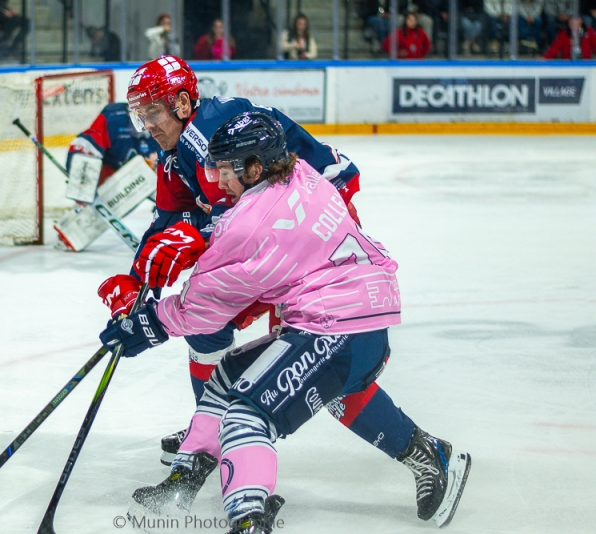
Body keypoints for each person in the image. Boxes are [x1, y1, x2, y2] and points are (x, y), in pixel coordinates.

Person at [100, 112, 472, 534]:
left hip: (339, 324)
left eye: (225, 170)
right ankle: (187, 476)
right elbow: (260, 228)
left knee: (248, 416)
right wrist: (204, 238)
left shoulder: (247, 224)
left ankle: (248, 519)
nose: (218, 181)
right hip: (353, 306)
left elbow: (201, 309)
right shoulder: (301, 173)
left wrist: (145, 325)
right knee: (229, 376)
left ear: (254, 167)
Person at [97, 55, 361, 464]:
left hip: (315, 229)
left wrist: (198, 236)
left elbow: (242, 223)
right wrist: (136, 283)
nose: (147, 125)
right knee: (207, 325)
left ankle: (421, 450)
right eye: (140, 114)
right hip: (275, 238)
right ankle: (212, 430)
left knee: (312, 357)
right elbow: (169, 219)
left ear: (182, 103)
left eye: (153, 112)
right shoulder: (176, 152)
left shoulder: (211, 132)